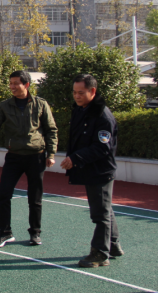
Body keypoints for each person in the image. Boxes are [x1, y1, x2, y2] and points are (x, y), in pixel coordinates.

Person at [0, 70, 58, 248]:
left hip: (36, 157)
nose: (11, 86)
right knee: (3, 194)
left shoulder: (41, 104)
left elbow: (51, 130)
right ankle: (5, 233)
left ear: (26, 85)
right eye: (10, 83)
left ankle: (35, 233)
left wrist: (51, 154)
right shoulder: (5, 105)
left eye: (15, 83)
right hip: (14, 157)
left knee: (35, 198)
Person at [60, 74, 122, 268]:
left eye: (81, 92)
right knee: (104, 208)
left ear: (92, 91)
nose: (76, 96)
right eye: (74, 92)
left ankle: (100, 253)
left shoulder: (103, 116)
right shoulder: (81, 110)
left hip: (100, 171)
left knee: (100, 213)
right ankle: (113, 245)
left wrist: (75, 158)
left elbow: (102, 147)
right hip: (90, 168)